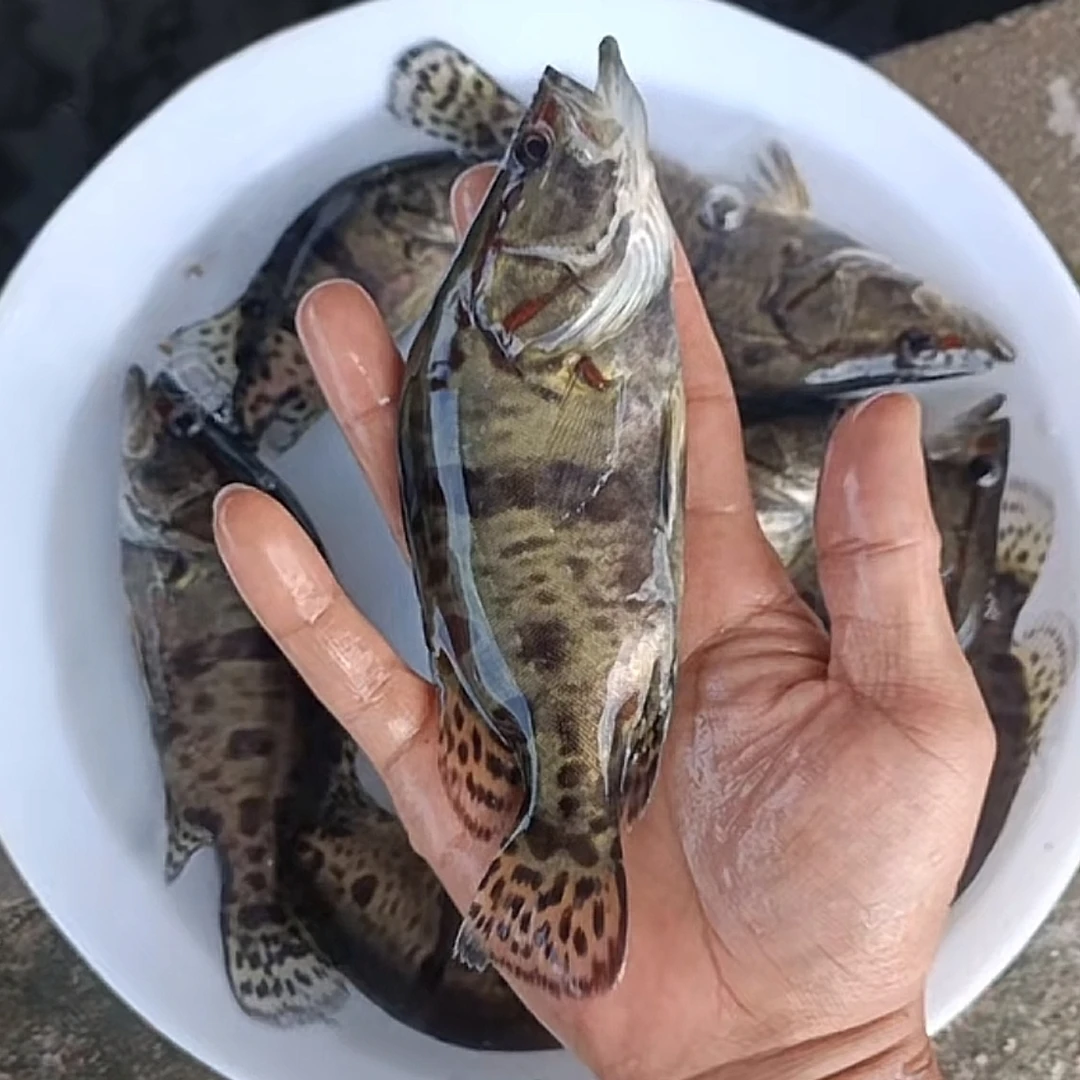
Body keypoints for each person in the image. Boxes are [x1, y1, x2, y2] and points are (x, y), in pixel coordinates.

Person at [212, 163, 995, 1080]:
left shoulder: (527, 327)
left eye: (540, 164)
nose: (555, 164)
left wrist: (822, 1046)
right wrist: (831, 1049)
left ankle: (557, 848)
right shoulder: (555, 316)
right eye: (542, 164)